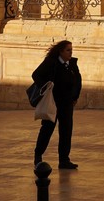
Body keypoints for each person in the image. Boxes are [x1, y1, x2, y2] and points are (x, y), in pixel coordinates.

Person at [32, 40, 82, 169]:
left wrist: (75, 96)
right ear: (61, 51)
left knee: (66, 131)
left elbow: (77, 80)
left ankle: (64, 160)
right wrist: (46, 86)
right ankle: (38, 155)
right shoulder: (51, 63)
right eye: (68, 50)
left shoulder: (72, 64)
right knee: (47, 129)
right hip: (52, 103)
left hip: (67, 103)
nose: (71, 52)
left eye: (71, 50)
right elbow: (36, 75)